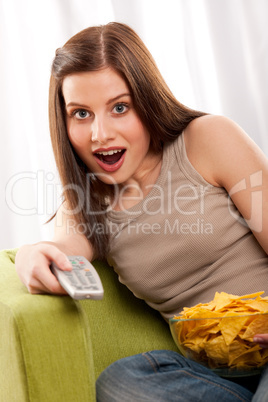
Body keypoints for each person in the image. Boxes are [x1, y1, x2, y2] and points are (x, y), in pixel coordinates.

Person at [15, 22, 268, 401]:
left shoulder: (207, 139)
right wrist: (29, 256)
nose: (100, 133)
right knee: (122, 380)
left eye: (119, 108)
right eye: (81, 114)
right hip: (212, 377)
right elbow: (65, 250)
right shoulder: (84, 199)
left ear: (147, 100)